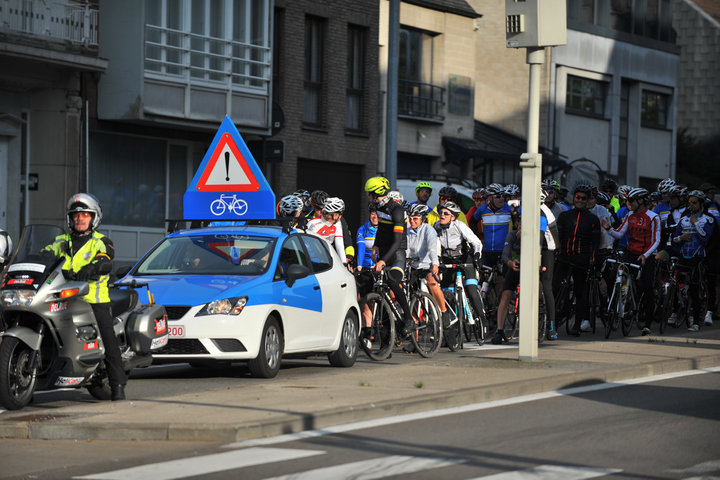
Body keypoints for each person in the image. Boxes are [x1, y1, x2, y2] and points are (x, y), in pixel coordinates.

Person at [44, 193, 125, 401]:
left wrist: (93, 267)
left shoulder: (101, 242)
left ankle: (117, 386)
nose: (80, 219)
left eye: (85, 215)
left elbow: (106, 259)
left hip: (93, 302)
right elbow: (42, 254)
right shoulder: (61, 241)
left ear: (94, 218)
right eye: (76, 215)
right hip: (64, 298)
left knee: (108, 341)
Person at [602, 187, 661, 335]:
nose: (629, 204)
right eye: (627, 201)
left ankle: (647, 324)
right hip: (631, 252)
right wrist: (608, 228)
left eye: (631, 201)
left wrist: (645, 256)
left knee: (647, 287)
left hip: (646, 256)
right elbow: (620, 233)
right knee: (614, 273)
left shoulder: (653, 217)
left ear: (641, 201)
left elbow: (656, 240)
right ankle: (619, 303)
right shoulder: (630, 215)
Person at [365, 176, 415, 337]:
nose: (368, 197)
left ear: (376, 193)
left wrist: (383, 260)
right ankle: (386, 339)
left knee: (393, 281)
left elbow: (397, 241)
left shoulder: (397, 211)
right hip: (384, 252)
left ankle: (409, 319)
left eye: (369, 194)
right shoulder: (379, 208)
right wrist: (376, 245)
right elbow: (380, 229)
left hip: (397, 253)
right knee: (381, 292)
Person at [556, 182, 601, 335]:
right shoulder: (564, 216)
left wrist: (592, 261)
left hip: (582, 260)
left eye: (583, 198)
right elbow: (558, 239)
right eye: (578, 197)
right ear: (574, 198)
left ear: (588, 200)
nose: (580, 200)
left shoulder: (593, 219)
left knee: (581, 292)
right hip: (564, 258)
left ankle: (577, 324)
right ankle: (555, 317)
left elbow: (595, 243)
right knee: (557, 288)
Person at [670, 190, 716, 332]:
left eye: (694, 202)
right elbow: (674, 239)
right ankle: (675, 312)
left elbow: (705, 239)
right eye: (690, 202)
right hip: (684, 256)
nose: (691, 205)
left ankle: (696, 322)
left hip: (698, 258)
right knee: (676, 286)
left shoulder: (708, 219)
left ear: (701, 203)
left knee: (695, 290)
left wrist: (695, 224)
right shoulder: (683, 219)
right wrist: (681, 238)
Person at [434, 201, 484, 329]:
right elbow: (435, 246)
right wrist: (436, 259)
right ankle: (451, 328)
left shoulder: (459, 225)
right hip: (448, 260)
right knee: (447, 294)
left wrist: (477, 255)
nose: (442, 215)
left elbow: (476, 242)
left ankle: (482, 319)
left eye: (446, 213)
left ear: (453, 217)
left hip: (464, 259)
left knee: (472, 290)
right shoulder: (437, 226)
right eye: (441, 212)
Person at [405, 203, 448, 325]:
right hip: (413, 266)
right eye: (410, 218)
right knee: (411, 298)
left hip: (427, 264)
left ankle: (444, 312)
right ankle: (415, 339)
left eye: (415, 219)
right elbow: (404, 250)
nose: (412, 221)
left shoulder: (429, 230)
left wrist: (435, 264)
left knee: (432, 282)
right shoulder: (407, 231)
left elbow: (432, 249)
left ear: (422, 219)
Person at [306, 197, 347, 263]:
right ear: (335, 215)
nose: (341, 216)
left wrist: (344, 263)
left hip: (328, 260)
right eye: (341, 214)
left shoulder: (337, 223)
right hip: (313, 261)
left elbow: (340, 245)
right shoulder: (314, 225)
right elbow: (309, 248)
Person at [356, 205, 378, 271]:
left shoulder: (384, 229)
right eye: (372, 214)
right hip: (365, 266)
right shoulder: (362, 229)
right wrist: (360, 265)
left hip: (379, 265)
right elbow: (361, 247)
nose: (375, 217)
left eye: (377, 214)